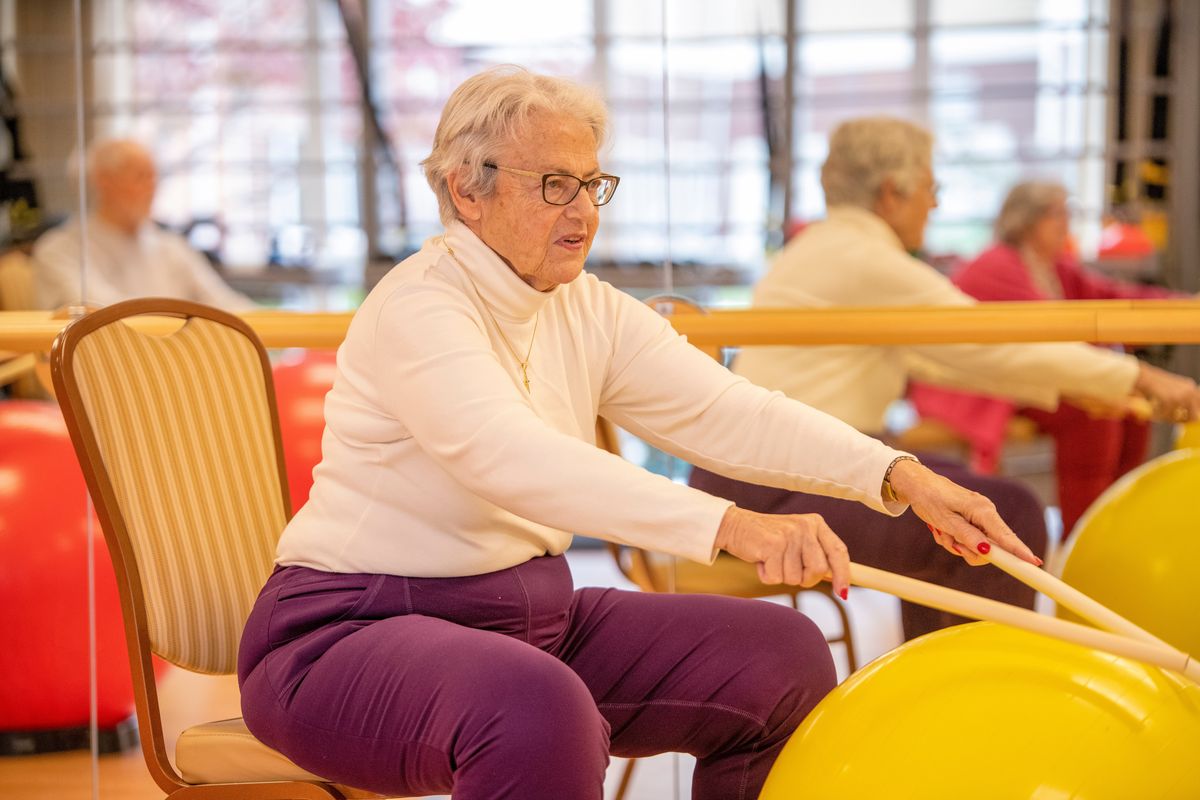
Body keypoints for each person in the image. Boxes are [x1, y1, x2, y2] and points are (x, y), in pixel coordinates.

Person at [237, 68, 1040, 800]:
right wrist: (732, 526)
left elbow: (731, 410)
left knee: (781, 659)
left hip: (530, 626)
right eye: (554, 185)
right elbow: (509, 458)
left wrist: (901, 476)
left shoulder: (582, 304)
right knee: (532, 708)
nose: (583, 211)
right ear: (466, 191)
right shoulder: (418, 304)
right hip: (344, 638)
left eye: (591, 183)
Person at [690, 117, 1200, 641]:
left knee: (960, 492)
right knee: (1004, 514)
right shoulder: (864, 259)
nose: (934, 205)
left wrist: (1097, 387)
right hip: (773, 487)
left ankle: (941, 683)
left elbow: (944, 358)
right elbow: (986, 345)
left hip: (771, 471)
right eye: (932, 189)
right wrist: (1136, 376)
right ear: (892, 193)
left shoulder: (823, 248)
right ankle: (981, 700)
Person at [911, 181, 1193, 536]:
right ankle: (1084, 530)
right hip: (979, 386)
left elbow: (1109, 298)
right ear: (1026, 221)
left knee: (1130, 411)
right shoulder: (997, 264)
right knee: (1092, 413)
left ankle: (1117, 522)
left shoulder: (1055, 265)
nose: (1065, 223)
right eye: (1055, 214)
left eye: (1067, 212)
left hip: (1029, 375)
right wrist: (1120, 375)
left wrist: (1179, 306)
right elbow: (1045, 345)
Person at [32, 138, 254, 311]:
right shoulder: (59, 251)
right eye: (141, 177)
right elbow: (105, 316)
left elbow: (224, 302)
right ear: (104, 181)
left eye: (154, 177)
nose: (152, 187)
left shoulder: (170, 246)